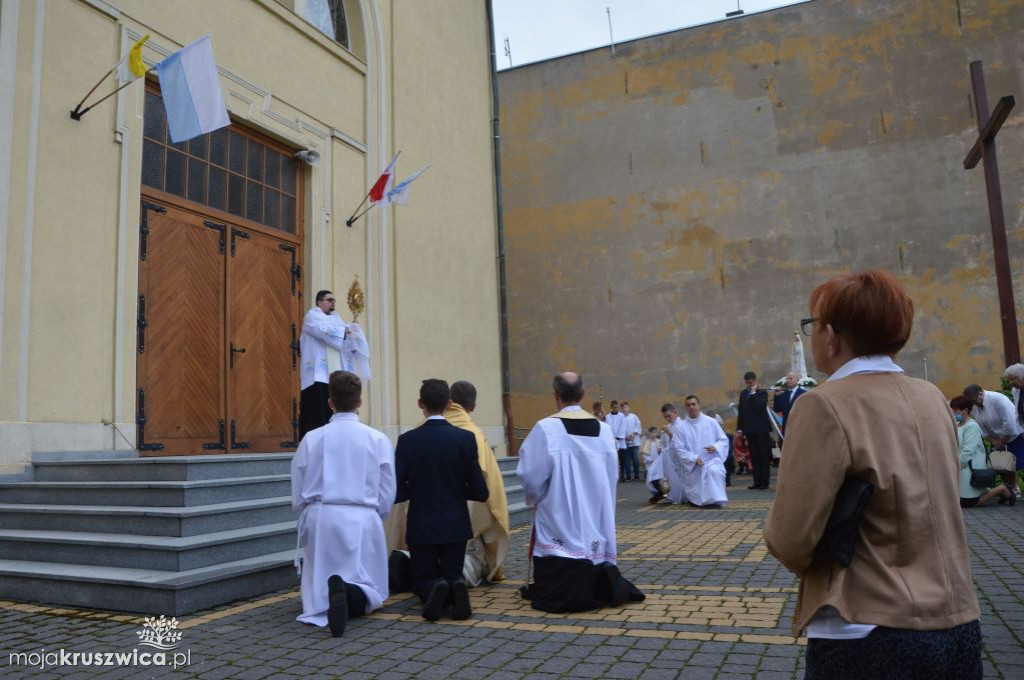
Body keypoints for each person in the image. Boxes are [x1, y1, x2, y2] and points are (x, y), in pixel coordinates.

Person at [764, 270, 981, 680]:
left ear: (832, 335)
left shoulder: (823, 404)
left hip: (866, 623)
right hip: (956, 619)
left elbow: (791, 537)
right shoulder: (931, 396)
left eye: (811, 325)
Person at [517, 372, 645, 612]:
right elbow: (612, 476)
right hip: (596, 512)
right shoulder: (604, 431)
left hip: (559, 514)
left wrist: (536, 498)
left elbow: (530, 475)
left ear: (556, 396)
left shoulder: (545, 429)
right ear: (583, 395)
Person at [291, 371, 395, 637]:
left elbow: (299, 484)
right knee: (369, 584)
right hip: (363, 516)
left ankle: (330, 594)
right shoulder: (378, 439)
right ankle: (349, 593)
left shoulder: (312, 438)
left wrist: (306, 514)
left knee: (320, 577)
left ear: (330, 402)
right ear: (360, 402)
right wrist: (376, 516)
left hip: (321, 515)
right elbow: (387, 488)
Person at [394, 379, 489, 621]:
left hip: (422, 522)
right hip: (455, 522)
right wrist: (456, 490)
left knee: (422, 578)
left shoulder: (407, 441)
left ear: (420, 404)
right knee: (452, 570)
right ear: (449, 404)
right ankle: (455, 585)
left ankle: (435, 589)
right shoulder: (465, 438)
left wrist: (417, 490)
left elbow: (397, 489)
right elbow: (480, 491)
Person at [300, 290, 363, 438]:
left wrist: (353, 335)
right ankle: (314, 437)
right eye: (329, 300)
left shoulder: (337, 319)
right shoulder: (312, 316)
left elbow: (342, 339)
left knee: (333, 406)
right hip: (318, 373)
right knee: (317, 408)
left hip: (333, 372)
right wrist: (343, 331)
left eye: (334, 300)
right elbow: (322, 331)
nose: (332, 302)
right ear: (319, 302)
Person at [663, 396, 729, 507]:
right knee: (697, 480)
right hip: (693, 464)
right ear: (686, 408)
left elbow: (723, 440)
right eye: (688, 405)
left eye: (693, 404)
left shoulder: (711, 422)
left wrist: (716, 447)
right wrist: (693, 458)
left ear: (699, 405)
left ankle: (716, 500)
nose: (691, 407)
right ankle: (699, 500)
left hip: (711, 460)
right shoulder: (681, 427)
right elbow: (679, 448)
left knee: (715, 471)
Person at [950, 395, 1014, 508]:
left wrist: (956, 465)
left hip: (970, 468)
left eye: (956, 410)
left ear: (965, 410)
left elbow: (968, 451)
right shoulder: (956, 425)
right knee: (961, 501)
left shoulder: (972, 426)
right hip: (962, 468)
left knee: (968, 503)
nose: (954, 413)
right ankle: (990, 492)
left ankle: (1002, 489)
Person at [962, 383, 1022, 495]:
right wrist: (994, 441)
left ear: (980, 393)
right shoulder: (974, 405)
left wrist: (1003, 441)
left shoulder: (998, 400)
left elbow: (1009, 422)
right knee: (999, 464)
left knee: (1010, 465)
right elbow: (981, 426)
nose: (973, 404)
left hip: (1012, 436)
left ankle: (1015, 488)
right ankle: (1008, 489)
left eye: (974, 400)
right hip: (995, 438)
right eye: (971, 402)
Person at [736, 371, 773, 490]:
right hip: (749, 429)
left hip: (761, 430)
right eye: (747, 383)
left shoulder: (762, 393)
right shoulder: (743, 394)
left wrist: (753, 393)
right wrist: (740, 428)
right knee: (754, 457)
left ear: (755, 381)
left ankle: (764, 482)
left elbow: (759, 407)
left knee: (763, 456)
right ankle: (756, 481)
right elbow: (741, 411)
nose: (748, 385)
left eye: (750, 383)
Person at [659, 403, 688, 504]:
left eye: (669, 416)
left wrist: (669, 432)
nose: (667, 418)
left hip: (680, 456)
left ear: (675, 412)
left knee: (682, 477)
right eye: (665, 417)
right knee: (671, 478)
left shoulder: (683, 425)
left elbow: (681, 441)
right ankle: (672, 495)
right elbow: (663, 442)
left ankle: (684, 496)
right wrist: (660, 448)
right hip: (670, 457)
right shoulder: (668, 426)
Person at [773, 372, 806, 437]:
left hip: (800, 427)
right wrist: (776, 397)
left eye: (790, 378)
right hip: (787, 428)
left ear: (797, 380)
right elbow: (777, 409)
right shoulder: (783, 395)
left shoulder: (803, 394)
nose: (788, 380)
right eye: (787, 379)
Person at [641, 426, 667, 503]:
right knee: (651, 479)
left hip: (658, 465)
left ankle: (660, 493)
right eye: (651, 433)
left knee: (657, 479)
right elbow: (645, 455)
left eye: (654, 432)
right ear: (649, 434)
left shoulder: (659, 442)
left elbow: (662, 452)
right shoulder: (647, 443)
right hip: (650, 465)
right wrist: (651, 460)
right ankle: (658, 492)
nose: (653, 434)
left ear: (656, 433)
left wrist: (659, 459)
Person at [604, 400, 627, 481]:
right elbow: (607, 427)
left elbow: (622, 427)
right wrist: (612, 438)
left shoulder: (622, 416)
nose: (616, 409)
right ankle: (613, 475)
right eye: (614, 407)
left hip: (620, 441)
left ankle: (622, 474)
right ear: (611, 407)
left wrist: (618, 437)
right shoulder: (608, 416)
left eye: (617, 407)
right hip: (611, 441)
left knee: (622, 459)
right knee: (613, 459)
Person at [621, 402, 642, 481]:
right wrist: (624, 437)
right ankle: (628, 476)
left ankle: (636, 475)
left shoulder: (634, 416)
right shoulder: (621, 418)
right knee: (627, 461)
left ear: (629, 408)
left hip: (635, 441)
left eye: (625, 407)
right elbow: (620, 429)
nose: (624, 409)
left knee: (636, 460)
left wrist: (633, 433)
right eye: (623, 408)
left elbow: (638, 425)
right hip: (625, 442)